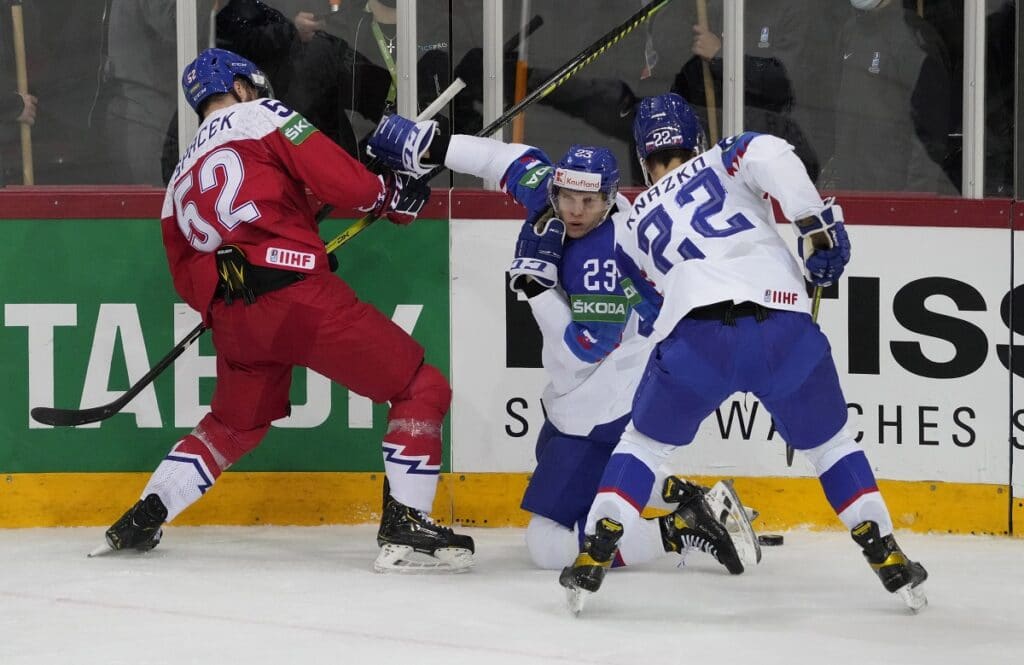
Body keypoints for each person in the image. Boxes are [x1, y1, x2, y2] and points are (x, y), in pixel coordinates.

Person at [99, 47, 474, 573]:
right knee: (421, 388)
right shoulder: (262, 116)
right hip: (299, 301)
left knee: (230, 427)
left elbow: (189, 275)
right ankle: (407, 524)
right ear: (244, 86)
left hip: (234, 320)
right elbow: (348, 186)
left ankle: (145, 514)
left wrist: (249, 285)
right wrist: (386, 192)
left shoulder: (181, 172)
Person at [557, 92, 928, 615]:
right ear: (697, 139)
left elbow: (655, 305)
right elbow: (774, 154)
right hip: (782, 329)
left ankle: (595, 551)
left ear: (642, 156)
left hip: (697, 341)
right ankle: (885, 552)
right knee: (832, 448)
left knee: (642, 447)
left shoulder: (630, 229)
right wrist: (815, 230)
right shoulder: (725, 155)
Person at [365, 113, 761, 574]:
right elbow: (503, 160)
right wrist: (433, 147)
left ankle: (682, 526)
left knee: (546, 544)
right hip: (611, 388)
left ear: (610, 199)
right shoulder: (559, 195)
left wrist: (535, 288)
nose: (574, 211)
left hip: (600, 404)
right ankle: (681, 493)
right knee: (559, 463)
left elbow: (582, 351)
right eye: (566, 197)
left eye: (588, 202)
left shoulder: (606, 257)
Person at [821, 0, 957, 193]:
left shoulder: (914, 39)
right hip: (850, 193)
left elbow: (929, 137)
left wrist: (911, 203)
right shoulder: (849, 32)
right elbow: (834, 110)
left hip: (893, 199)